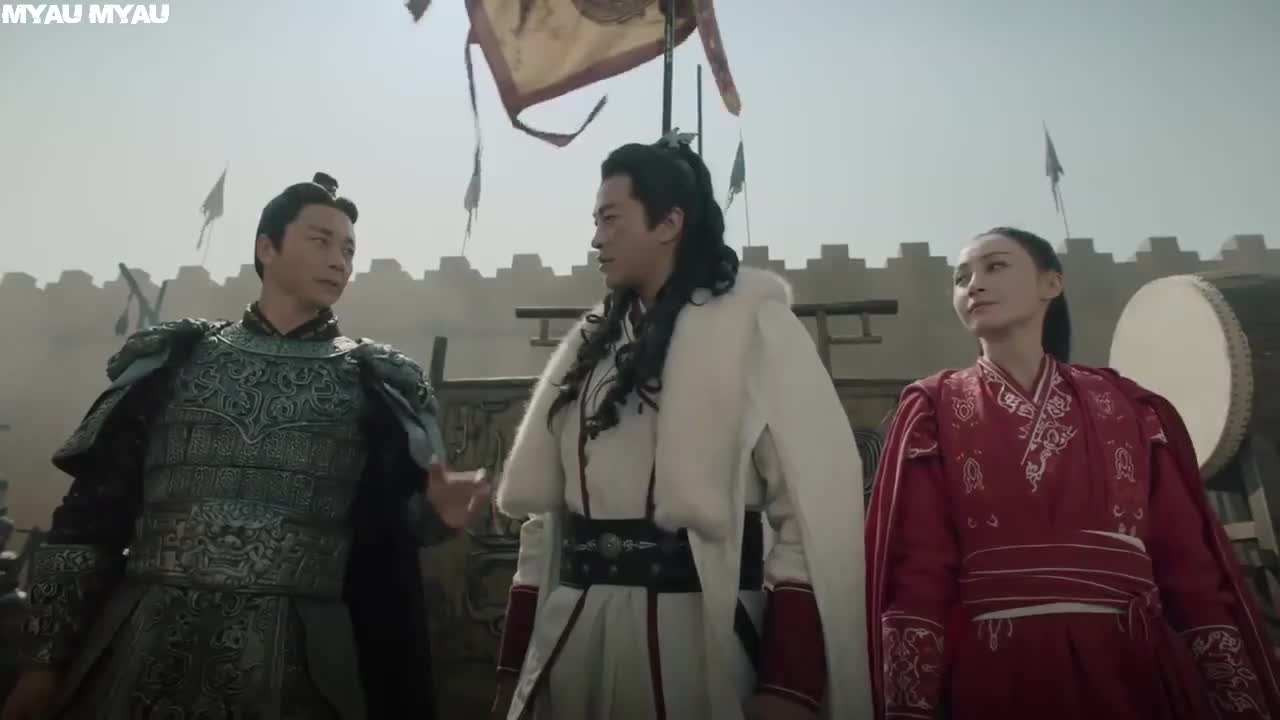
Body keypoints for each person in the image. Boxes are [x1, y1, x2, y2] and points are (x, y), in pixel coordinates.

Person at [1, 172, 490, 720]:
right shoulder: (174, 359)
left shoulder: (375, 382)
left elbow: (387, 539)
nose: (338, 261)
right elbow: (89, 521)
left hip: (302, 662)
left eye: (349, 250)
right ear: (266, 248)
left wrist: (434, 516)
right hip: (145, 645)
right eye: (321, 241)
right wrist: (42, 667)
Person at [489, 133, 870, 720]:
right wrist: (514, 668)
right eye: (595, 221)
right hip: (572, 639)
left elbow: (809, 508)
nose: (596, 238)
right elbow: (545, 527)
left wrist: (788, 684)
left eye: (611, 219)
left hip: (699, 638)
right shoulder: (588, 351)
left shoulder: (754, 328)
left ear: (668, 223)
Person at [865, 226, 1280, 719]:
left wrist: (1235, 697)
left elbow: (1188, 563)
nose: (973, 284)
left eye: (995, 266)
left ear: (1051, 284)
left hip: (1134, 667)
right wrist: (910, 706)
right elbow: (917, 569)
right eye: (961, 278)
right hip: (995, 669)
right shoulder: (934, 407)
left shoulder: (1130, 406)